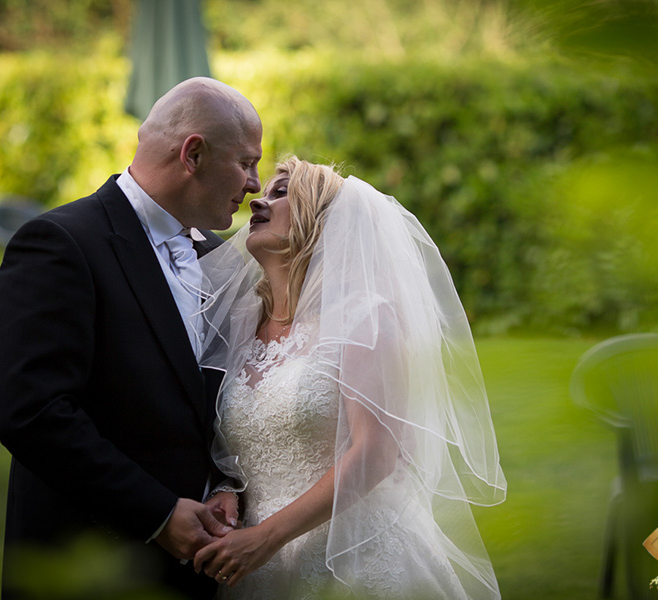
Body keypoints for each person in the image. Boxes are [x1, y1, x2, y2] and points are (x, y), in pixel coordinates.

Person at [0, 77, 262, 599]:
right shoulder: (61, 244)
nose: (253, 183)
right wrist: (156, 513)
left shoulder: (218, 256)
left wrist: (226, 484)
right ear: (194, 154)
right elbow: (34, 414)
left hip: (200, 574)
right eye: (246, 162)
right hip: (88, 564)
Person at [193, 156, 507, 599]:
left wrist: (268, 538)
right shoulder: (242, 322)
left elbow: (376, 452)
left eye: (281, 193)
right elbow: (242, 439)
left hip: (350, 555)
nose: (258, 202)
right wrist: (227, 489)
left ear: (321, 222)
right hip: (252, 560)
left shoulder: (363, 317)